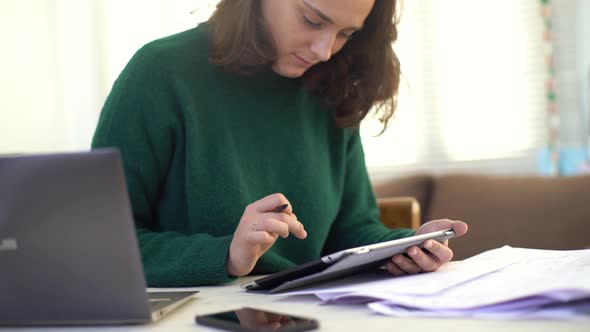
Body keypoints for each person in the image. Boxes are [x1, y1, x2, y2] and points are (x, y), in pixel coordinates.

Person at [92, 0, 468, 287]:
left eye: (345, 33)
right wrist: (225, 255)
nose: (324, 50)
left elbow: (350, 232)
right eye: (313, 20)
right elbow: (100, 244)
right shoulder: (160, 73)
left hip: (305, 315)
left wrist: (407, 246)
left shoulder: (331, 84)